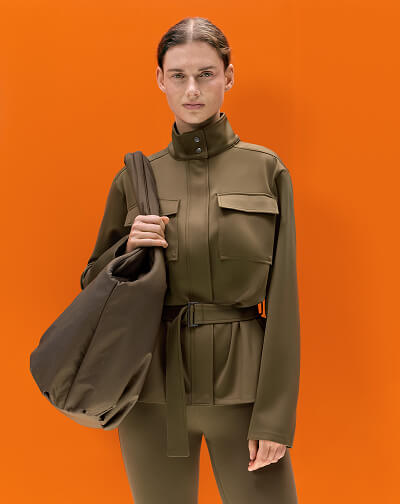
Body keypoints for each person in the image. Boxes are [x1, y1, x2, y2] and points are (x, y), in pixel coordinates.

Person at [80, 16, 301, 504]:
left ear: (229, 76)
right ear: (160, 79)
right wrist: (125, 250)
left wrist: (275, 419)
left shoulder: (266, 170)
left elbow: (285, 301)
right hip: (152, 393)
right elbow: (92, 284)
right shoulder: (135, 179)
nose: (192, 89)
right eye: (178, 75)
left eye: (206, 74)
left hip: (243, 390)